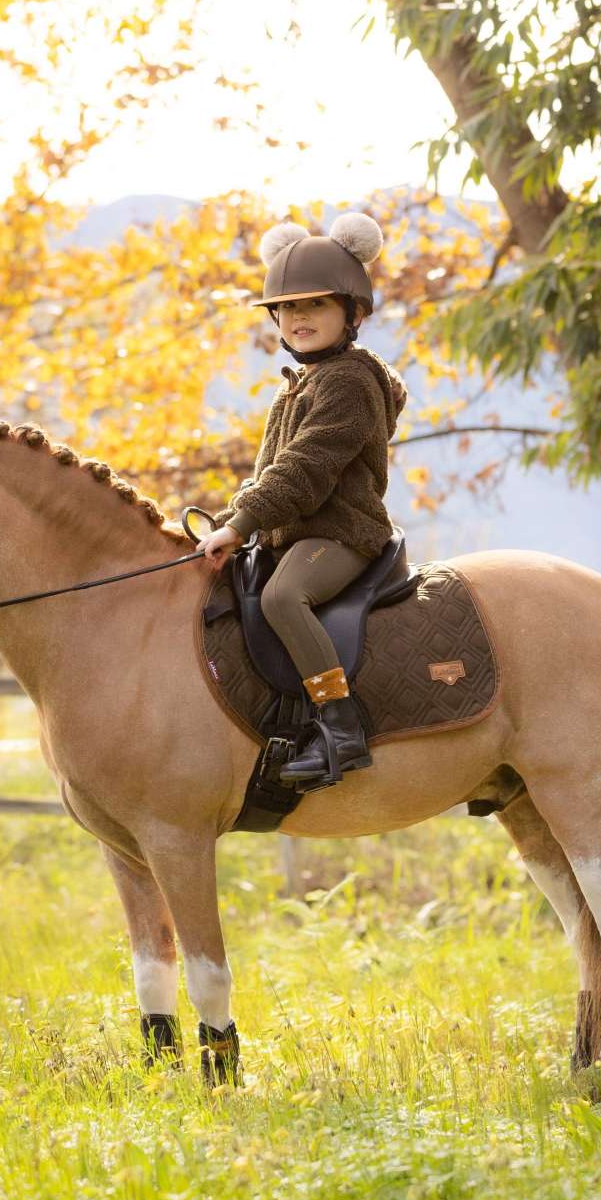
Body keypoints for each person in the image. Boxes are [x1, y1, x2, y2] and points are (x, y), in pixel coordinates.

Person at [197, 212, 407, 788]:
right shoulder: (298, 385)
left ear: (354, 312)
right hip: (296, 534)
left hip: (343, 535)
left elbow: (305, 468)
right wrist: (228, 522)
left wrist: (241, 524)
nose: (298, 318)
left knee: (283, 598)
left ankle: (341, 726)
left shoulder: (349, 382)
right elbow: (267, 473)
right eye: (287, 308)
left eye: (314, 305)